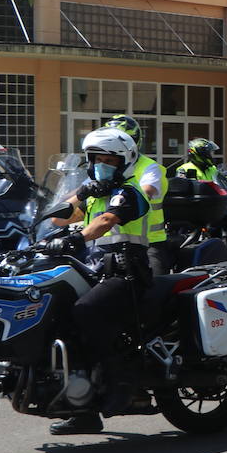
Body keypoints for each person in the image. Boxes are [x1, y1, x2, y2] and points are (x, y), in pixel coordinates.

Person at [47, 127, 154, 435]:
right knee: (59, 315)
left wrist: (76, 238)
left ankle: (123, 385)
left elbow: (106, 222)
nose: (101, 165)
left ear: (125, 162)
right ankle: (80, 407)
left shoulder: (130, 192)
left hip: (126, 272)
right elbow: (58, 218)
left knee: (86, 312)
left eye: (108, 159)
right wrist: (81, 193)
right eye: (95, 159)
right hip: (95, 270)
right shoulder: (97, 193)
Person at [104, 114, 171, 276]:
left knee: (152, 292)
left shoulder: (149, 167)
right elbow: (83, 192)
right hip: (111, 242)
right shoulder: (104, 166)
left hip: (149, 242)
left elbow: (145, 192)